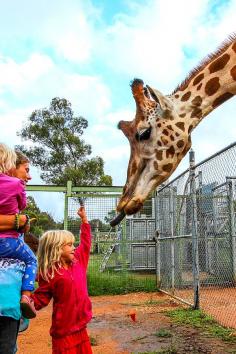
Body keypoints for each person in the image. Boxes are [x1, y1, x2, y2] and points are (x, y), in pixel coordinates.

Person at [32, 206, 93, 354]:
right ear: (56, 249)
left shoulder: (79, 261)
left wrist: (84, 220)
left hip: (81, 327)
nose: (74, 247)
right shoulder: (50, 272)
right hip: (63, 333)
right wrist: (28, 304)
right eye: (69, 245)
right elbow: (42, 297)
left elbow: (85, 244)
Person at [0, 149, 34, 354]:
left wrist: (23, 222)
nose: (29, 176)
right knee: (32, 259)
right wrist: (18, 220)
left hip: (10, 303)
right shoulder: (15, 186)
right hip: (7, 302)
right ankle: (26, 296)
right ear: (10, 165)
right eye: (26, 169)